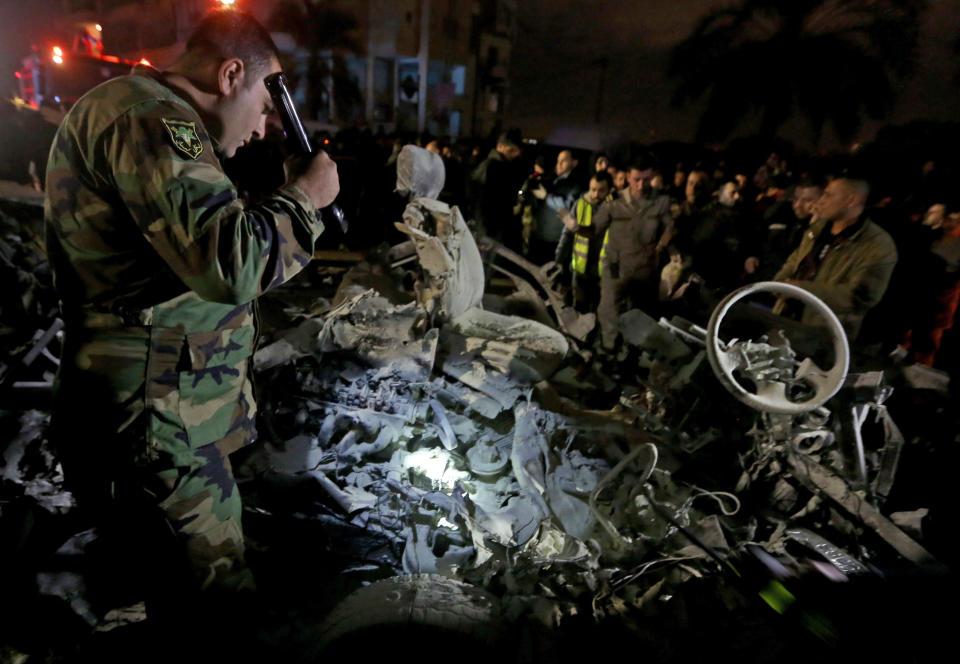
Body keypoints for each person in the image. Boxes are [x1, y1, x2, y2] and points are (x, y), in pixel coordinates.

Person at [43, 8, 339, 614]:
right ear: (231, 74)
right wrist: (304, 199)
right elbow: (227, 265)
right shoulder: (152, 118)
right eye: (263, 106)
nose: (262, 129)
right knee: (217, 612)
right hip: (154, 425)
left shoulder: (148, 115)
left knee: (153, 595)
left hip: (159, 416)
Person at [774, 178, 897, 342]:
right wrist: (779, 283)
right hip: (784, 320)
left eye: (828, 195)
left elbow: (860, 296)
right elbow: (795, 260)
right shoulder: (818, 229)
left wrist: (802, 290)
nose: (821, 201)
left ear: (851, 200)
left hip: (823, 335)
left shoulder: (877, 245)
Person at [593, 161, 674, 351]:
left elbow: (670, 227)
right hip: (615, 268)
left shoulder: (661, 201)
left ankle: (631, 357)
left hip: (643, 271)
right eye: (636, 179)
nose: (641, 185)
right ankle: (610, 352)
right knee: (609, 313)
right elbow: (594, 228)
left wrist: (663, 245)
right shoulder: (613, 200)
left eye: (647, 180)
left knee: (639, 317)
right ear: (628, 176)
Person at [557, 171, 613, 312]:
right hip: (581, 269)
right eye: (593, 189)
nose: (595, 195)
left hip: (604, 272)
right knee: (579, 308)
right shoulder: (580, 204)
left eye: (601, 191)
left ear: (609, 190)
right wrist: (559, 258)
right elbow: (568, 234)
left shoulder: (616, 208)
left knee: (599, 311)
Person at [470, 129, 525, 251]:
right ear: (500, 147)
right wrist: (483, 232)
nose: (515, 154)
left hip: (500, 226)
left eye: (517, 151)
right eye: (511, 150)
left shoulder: (506, 165)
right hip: (491, 229)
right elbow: (480, 202)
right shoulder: (490, 167)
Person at [529, 148, 583, 265]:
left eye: (563, 161)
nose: (558, 165)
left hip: (555, 240)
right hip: (540, 235)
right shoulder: (551, 179)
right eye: (558, 161)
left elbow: (569, 207)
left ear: (574, 163)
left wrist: (546, 197)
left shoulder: (576, 185)